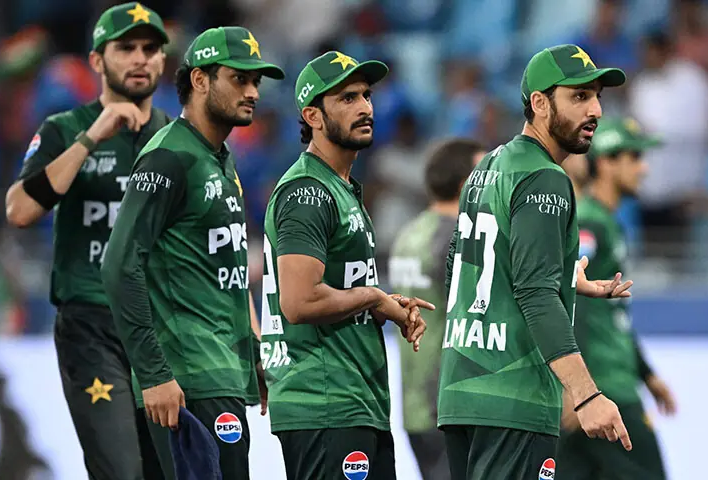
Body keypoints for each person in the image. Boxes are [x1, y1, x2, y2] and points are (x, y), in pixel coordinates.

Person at [437, 44, 635, 480]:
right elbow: (535, 293)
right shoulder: (545, 176)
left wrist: (563, 276)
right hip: (513, 398)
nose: (597, 110)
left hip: (461, 392)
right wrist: (586, 395)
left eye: (598, 96)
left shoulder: (487, 166)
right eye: (580, 97)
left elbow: (458, 267)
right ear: (540, 103)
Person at [100, 26, 285, 479]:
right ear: (200, 80)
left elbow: (227, 269)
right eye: (239, 78)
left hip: (221, 369)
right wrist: (156, 374)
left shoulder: (220, 157)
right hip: (186, 377)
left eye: (256, 81)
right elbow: (119, 265)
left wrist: (255, 349)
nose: (253, 91)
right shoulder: (169, 157)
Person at [4, 3, 170, 478]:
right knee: (120, 471)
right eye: (126, 48)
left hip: (163, 329)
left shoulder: (178, 139)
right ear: (97, 61)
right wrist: (90, 138)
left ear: (162, 60)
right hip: (92, 325)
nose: (140, 58)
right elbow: (19, 210)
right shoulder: (64, 129)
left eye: (150, 49)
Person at [259, 51, 430, 480]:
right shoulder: (307, 192)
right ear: (312, 115)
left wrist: (378, 301)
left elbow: (335, 287)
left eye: (366, 96)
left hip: (352, 400)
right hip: (325, 401)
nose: (365, 107)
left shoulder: (340, 189)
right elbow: (298, 301)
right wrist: (372, 296)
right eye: (347, 98)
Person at [557, 117, 676, 480]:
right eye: (635, 157)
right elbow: (569, 299)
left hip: (600, 385)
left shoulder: (606, 221)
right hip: (605, 391)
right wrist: (575, 388)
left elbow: (613, 313)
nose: (644, 167)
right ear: (606, 162)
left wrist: (647, 374)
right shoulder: (591, 224)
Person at [388, 138, 485, 480]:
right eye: (485, 173)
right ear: (466, 184)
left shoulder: (408, 234)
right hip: (451, 405)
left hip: (414, 403)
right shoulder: (457, 238)